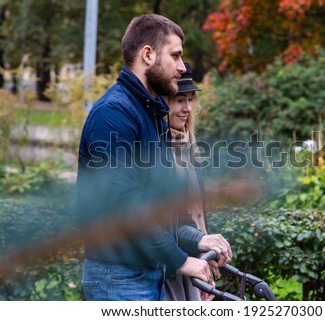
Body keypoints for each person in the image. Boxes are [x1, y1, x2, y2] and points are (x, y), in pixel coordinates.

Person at [76, 14, 231, 301]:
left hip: (148, 274)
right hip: (119, 277)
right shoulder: (114, 114)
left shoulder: (154, 112)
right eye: (175, 56)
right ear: (148, 55)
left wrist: (199, 239)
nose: (182, 67)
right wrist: (182, 261)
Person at [164, 62, 218, 301]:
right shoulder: (157, 149)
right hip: (170, 264)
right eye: (179, 100)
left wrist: (206, 266)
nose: (187, 108)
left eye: (190, 100)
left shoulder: (188, 147)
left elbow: (196, 215)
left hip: (193, 263)